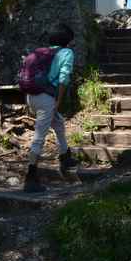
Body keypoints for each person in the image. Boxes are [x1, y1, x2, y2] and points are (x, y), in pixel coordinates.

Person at [24, 24, 79, 193]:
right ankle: (30, 178)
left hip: (31, 96)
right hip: (47, 98)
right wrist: (58, 102)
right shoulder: (66, 53)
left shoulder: (40, 52)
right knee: (40, 136)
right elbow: (63, 79)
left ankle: (65, 156)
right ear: (67, 41)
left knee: (59, 123)